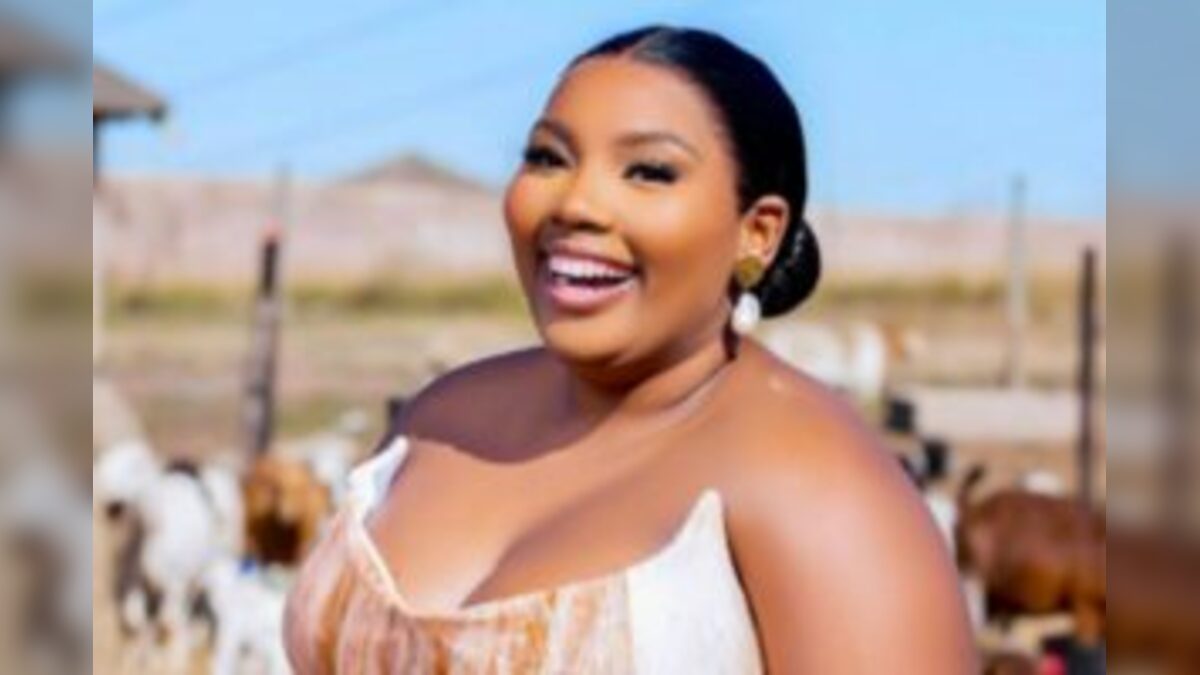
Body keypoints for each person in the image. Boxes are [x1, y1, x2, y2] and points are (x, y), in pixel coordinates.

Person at [284, 25, 976, 674]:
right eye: (548, 157)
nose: (576, 203)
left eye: (648, 171)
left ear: (757, 232)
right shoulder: (438, 420)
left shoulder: (820, 486)